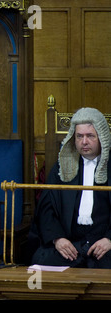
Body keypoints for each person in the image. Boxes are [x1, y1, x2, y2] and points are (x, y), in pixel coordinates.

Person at [30, 107, 111, 268]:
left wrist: (110, 239)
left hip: (103, 244)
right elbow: (46, 209)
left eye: (90, 136)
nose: (84, 142)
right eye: (79, 136)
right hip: (71, 244)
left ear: (102, 137)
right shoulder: (62, 168)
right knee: (42, 260)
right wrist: (58, 239)